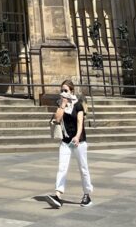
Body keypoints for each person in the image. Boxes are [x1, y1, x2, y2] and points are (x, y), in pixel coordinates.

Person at [47, 78, 93, 208]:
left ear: (71, 91)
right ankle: (58, 195)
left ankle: (87, 194)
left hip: (79, 141)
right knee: (62, 167)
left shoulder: (78, 104)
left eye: (65, 90)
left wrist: (78, 136)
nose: (63, 93)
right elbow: (57, 119)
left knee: (83, 168)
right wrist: (62, 105)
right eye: (61, 91)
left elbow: (80, 122)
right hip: (66, 141)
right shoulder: (60, 103)